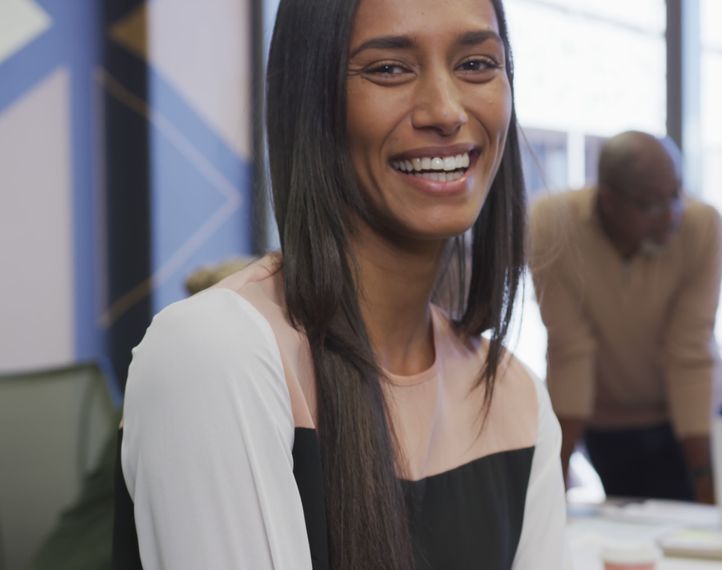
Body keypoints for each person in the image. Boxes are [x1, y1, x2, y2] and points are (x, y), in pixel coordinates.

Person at [111, 0, 566, 568]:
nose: (446, 111)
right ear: (311, 101)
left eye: (476, 64)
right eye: (389, 69)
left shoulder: (513, 396)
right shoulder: (214, 355)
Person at [528, 131, 722, 504]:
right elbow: (570, 350)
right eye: (651, 204)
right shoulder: (552, 223)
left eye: (676, 195)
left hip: (688, 419)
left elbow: (690, 351)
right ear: (609, 200)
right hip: (606, 420)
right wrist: (549, 492)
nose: (671, 214)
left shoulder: (703, 227)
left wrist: (705, 479)